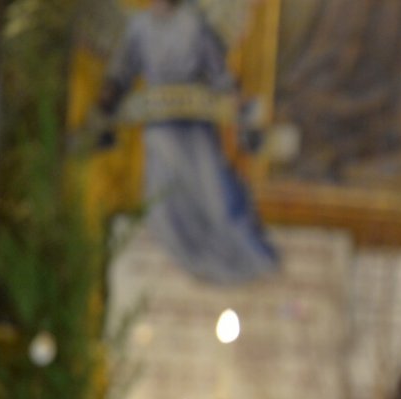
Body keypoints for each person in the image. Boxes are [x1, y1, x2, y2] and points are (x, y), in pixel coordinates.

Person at [97, 0, 279, 284]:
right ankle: (196, 269)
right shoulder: (139, 28)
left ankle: (249, 266)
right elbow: (119, 75)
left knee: (217, 202)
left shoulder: (194, 25)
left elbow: (221, 77)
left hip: (196, 135)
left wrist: (243, 114)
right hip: (161, 136)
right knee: (163, 209)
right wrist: (103, 109)